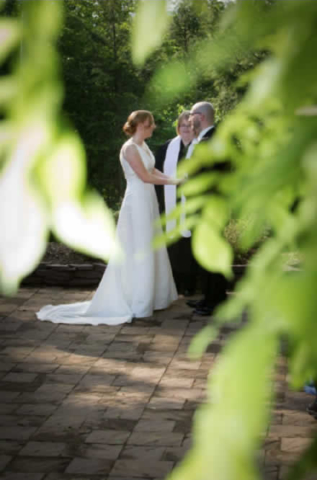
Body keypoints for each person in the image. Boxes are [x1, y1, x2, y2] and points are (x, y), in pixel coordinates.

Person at [37, 110, 181, 326]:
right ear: (142, 125)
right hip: (137, 203)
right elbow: (144, 176)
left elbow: (153, 170)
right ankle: (137, 301)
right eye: (151, 124)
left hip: (148, 200)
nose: (154, 127)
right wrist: (173, 183)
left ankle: (154, 298)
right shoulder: (130, 148)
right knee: (138, 247)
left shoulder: (143, 146)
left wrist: (172, 178)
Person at [186, 101, 230, 316]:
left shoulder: (210, 142)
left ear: (200, 117)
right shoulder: (213, 138)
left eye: (191, 115)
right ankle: (213, 297)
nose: (188, 119)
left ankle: (214, 302)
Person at [155, 111, 197, 295]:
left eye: (189, 126)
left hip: (193, 202)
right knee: (173, 244)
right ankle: (175, 284)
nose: (186, 129)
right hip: (170, 202)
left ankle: (190, 285)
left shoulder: (201, 147)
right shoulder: (166, 148)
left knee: (189, 245)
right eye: (182, 126)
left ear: (194, 127)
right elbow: (156, 175)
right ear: (177, 128)